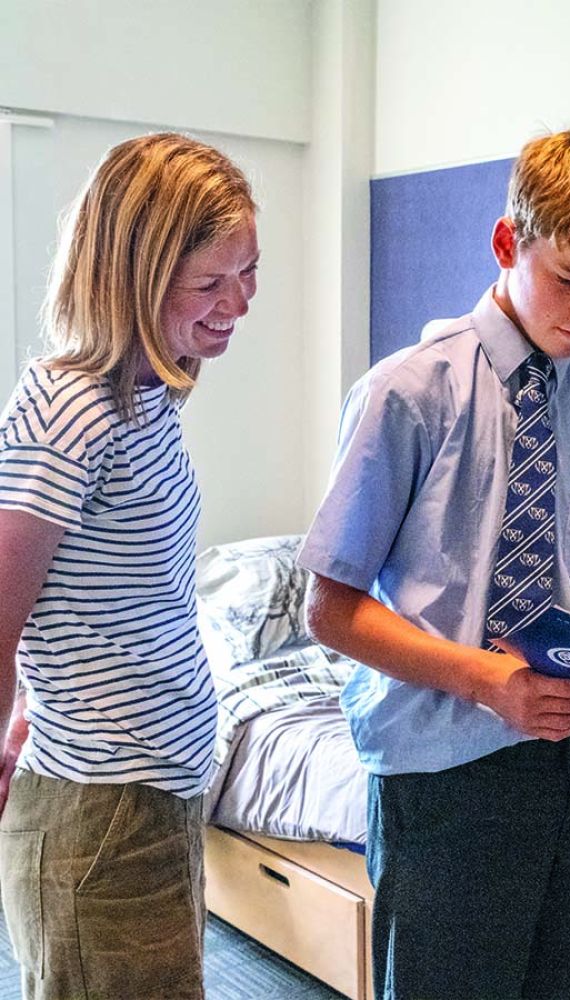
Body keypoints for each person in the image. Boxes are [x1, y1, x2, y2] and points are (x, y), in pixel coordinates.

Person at [300, 127, 570, 1000]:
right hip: (440, 774)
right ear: (508, 244)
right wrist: (484, 681)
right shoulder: (406, 394)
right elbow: (329, 608)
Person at [0, 132, 259, 999]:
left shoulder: (148, 396)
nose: (239, 302)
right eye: (210, 281)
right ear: (135, 273)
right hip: (102, 812)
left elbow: (89, 595)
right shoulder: (67, 406)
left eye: (249, 271)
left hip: (154, 798)